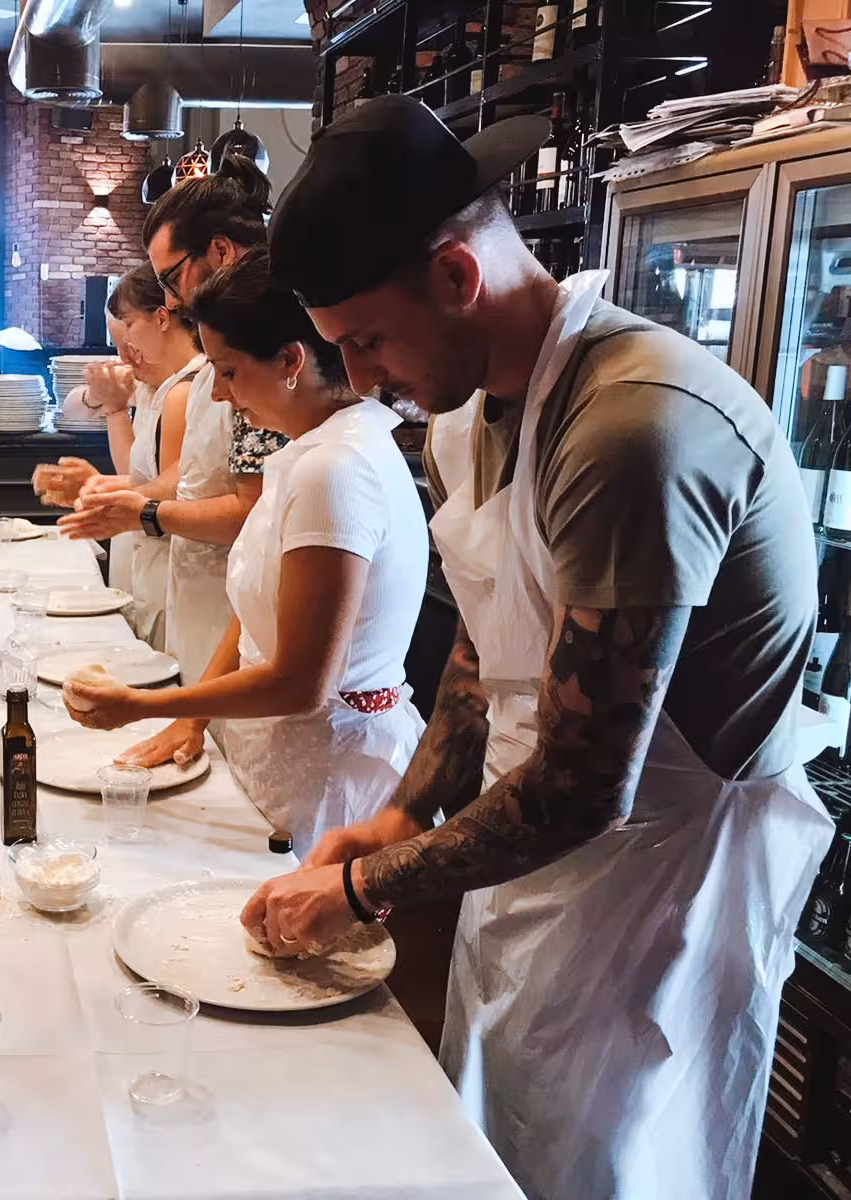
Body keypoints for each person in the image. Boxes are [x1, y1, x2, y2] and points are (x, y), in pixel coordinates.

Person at [246, 95, 834, 1200]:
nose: (361, 381)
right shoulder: (473, 408)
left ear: (457, 279)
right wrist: (405, 811)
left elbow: (584, 782)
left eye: (366, 341)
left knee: (607, 1162)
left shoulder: (630, 430)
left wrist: (372, 886)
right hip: (538, 856)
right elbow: (485, 634)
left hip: (662, 875)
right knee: (498, 1126)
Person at [65, 250, 427, 857]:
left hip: (329, 771)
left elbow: (301, 682)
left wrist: (144, 705)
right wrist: (192, 717)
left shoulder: (335, 469)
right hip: (283, 755)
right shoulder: (307, 451)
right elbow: (258, 609)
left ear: (291, 360)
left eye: (229, 372)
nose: (226, 398)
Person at [59, 155, 288, 685]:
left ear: (222, 251)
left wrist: (143, 511)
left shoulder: (263, 358)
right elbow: (191, 483)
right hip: (198, 603)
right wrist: (121, 494)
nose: (167, 296)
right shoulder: (215, 366)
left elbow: (252, 511)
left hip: (233, 612)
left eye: (170, 277)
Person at [32, 264, 202, 647]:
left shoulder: (188, 389)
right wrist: (99, 484)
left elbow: (172, 490)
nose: (126, 355)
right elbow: (151, 480)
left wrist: (101, 486)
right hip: (143, 555)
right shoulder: (158, 386)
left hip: (172, 566)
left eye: (128, 333)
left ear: (162, 318)